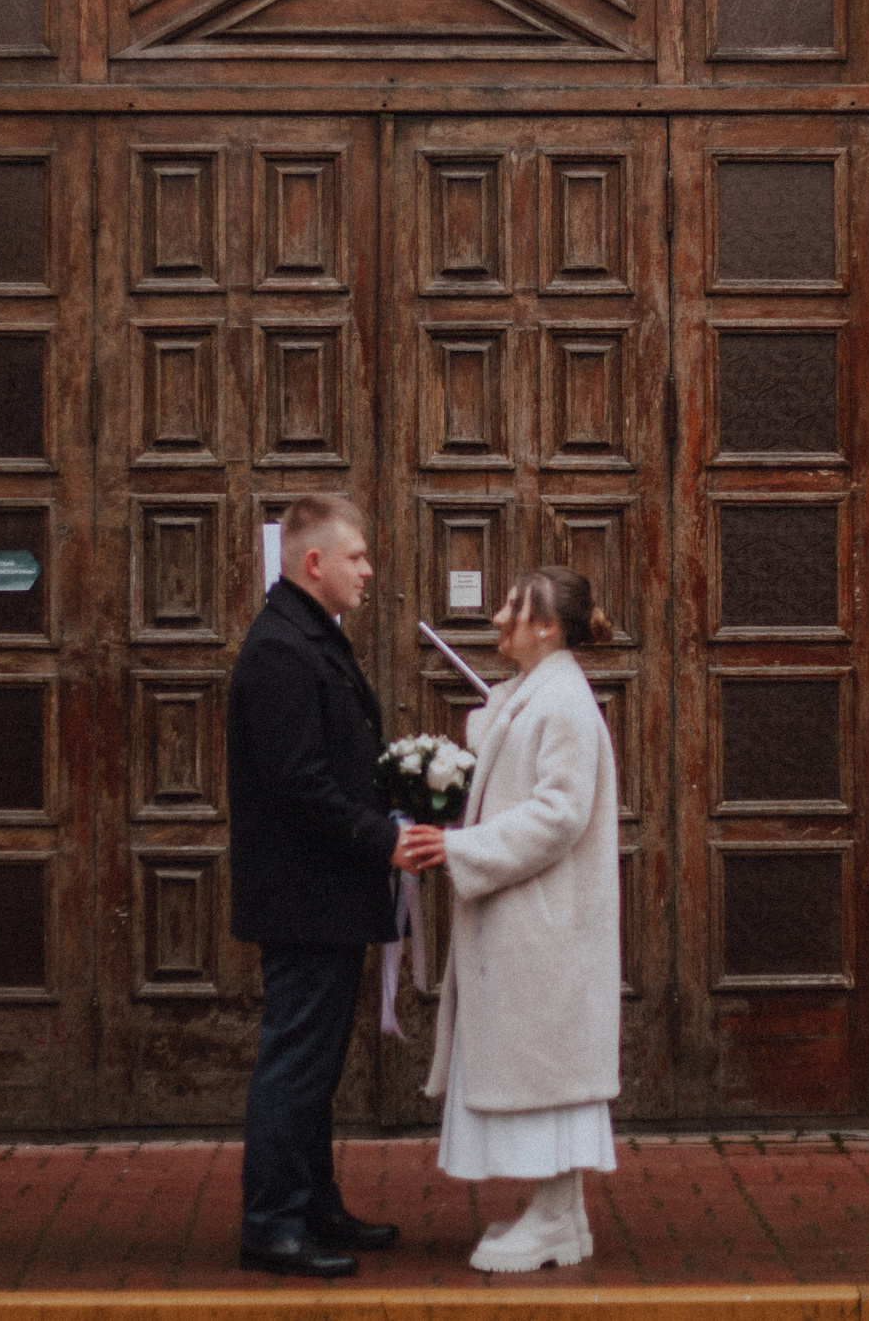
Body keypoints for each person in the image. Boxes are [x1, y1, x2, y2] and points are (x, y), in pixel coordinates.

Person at [226, 493, 443, 1279]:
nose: (368, 570)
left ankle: (314, 1203)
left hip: (325, 893)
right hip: (304, 895)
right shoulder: (283, 649)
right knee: (295, 1060)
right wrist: (382, 837)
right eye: (355, 556)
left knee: (315, 1062)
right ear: (312, 562)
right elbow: (298, 783)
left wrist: (398, 792)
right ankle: (272, 1223)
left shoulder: (311, 636)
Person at [402, 565, 621, 1273]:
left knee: (545, 1070)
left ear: (547, 626)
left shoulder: (563, 701)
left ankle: (556, 1214)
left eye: (513, 608)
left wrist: (459, 845)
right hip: (530, 928)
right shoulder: (540, 693)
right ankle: (563, 1213)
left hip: (545, 931)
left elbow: (559, 816)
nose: (497, 617)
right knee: (539, 1066)